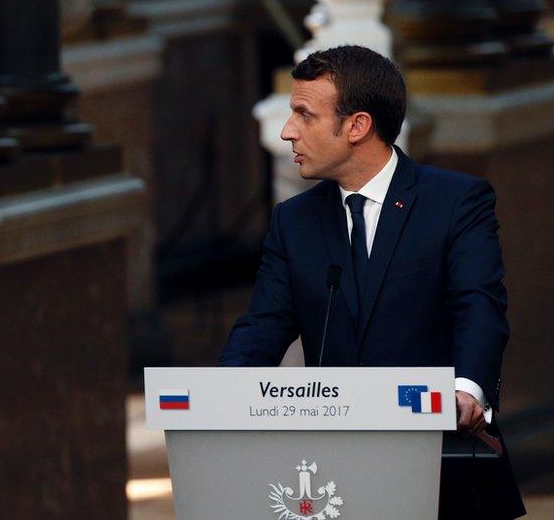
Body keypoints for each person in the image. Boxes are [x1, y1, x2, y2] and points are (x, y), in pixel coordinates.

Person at [217, 45, 524, 519]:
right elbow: (263, 326)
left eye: (303, 114)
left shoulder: (455, 201)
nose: (287, 132)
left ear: (357, 126)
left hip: (443, 468)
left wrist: (467, 390)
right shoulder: (293, 221)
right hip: (335, 474)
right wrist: (221, 397)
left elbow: (478, 305)